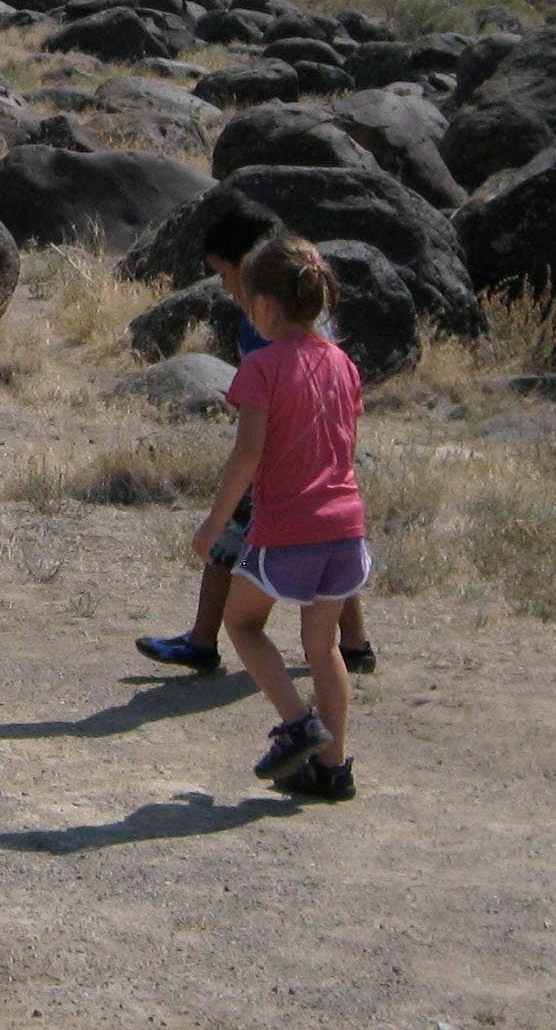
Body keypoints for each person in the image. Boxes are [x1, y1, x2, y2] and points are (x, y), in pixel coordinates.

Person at [138, 208, 378, 679]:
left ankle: (204, 641)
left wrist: (215, 516)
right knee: (329, 544)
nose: (226, 286)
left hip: (277, 457)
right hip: (323, 462)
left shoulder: (262, 330)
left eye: (226, 274)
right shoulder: (315, 320)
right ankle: (353, 644)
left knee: (227, 541)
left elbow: (255, 432)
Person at [189, 232, 371, 802]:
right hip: (346, 528)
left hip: (288, 529)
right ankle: (332, 771)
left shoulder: (262, 367)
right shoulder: (343, 364)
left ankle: (298, 726)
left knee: (243, 623)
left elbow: (248, 455)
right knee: (324, 648)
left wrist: (215, 524)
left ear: (264, 305)